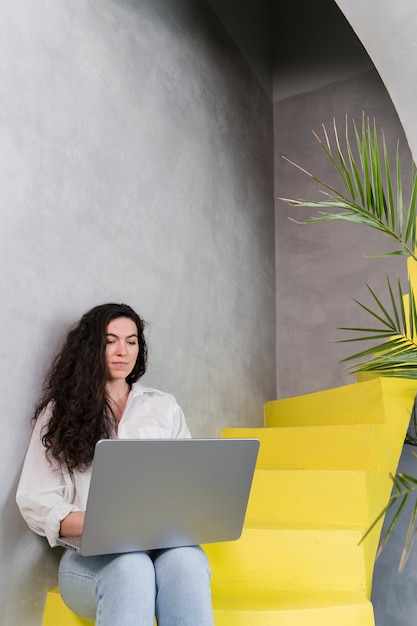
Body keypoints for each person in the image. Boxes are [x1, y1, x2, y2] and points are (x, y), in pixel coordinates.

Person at [16, 303, 214, 626]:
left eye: (132, 341)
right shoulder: (59, 413)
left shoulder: (164, 407)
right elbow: (35, 500)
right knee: (131, 566)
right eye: (110, 340)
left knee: (187, 561)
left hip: (160, 545)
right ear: (92, 346)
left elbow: (185, 484)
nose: (123, 350)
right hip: (88, 558)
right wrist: (102, 522)